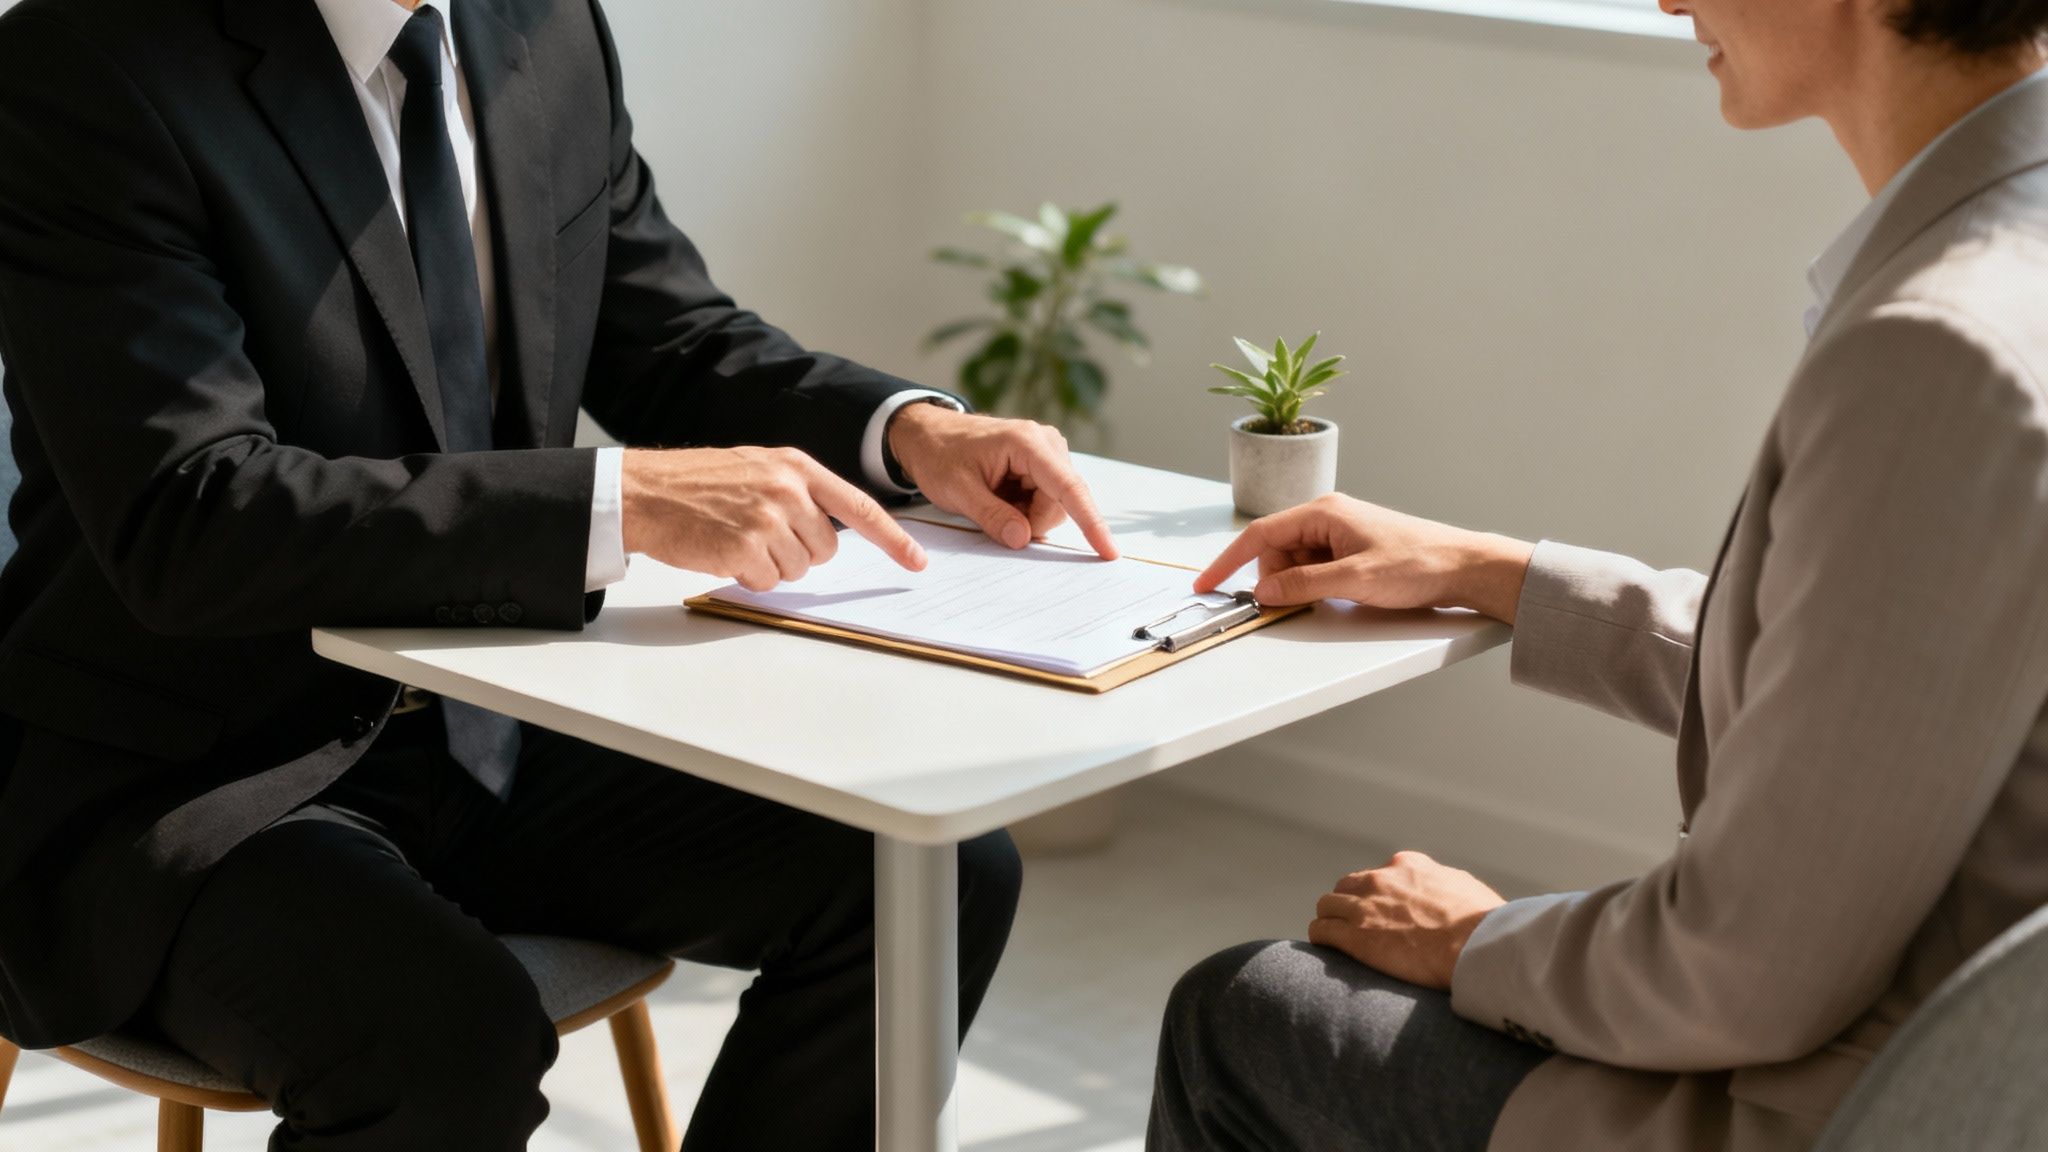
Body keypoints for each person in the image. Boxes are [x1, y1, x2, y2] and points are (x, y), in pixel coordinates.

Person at [0, 0, 1124, 1146]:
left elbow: (669, 341)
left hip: (489, 723)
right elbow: (191, 514)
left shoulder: (541, 27)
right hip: (199, 772)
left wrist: (907, 431)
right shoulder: (92, 62)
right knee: (448, 1042)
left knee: (928, 877)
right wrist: (619, 501)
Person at [1149, 1, 2048, 1150]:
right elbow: (1880, 696)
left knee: (1241, 1015)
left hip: (1867, 1112)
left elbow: (1742, 967)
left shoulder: (1935, 350)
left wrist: (1471, 940)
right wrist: (1493, 573)